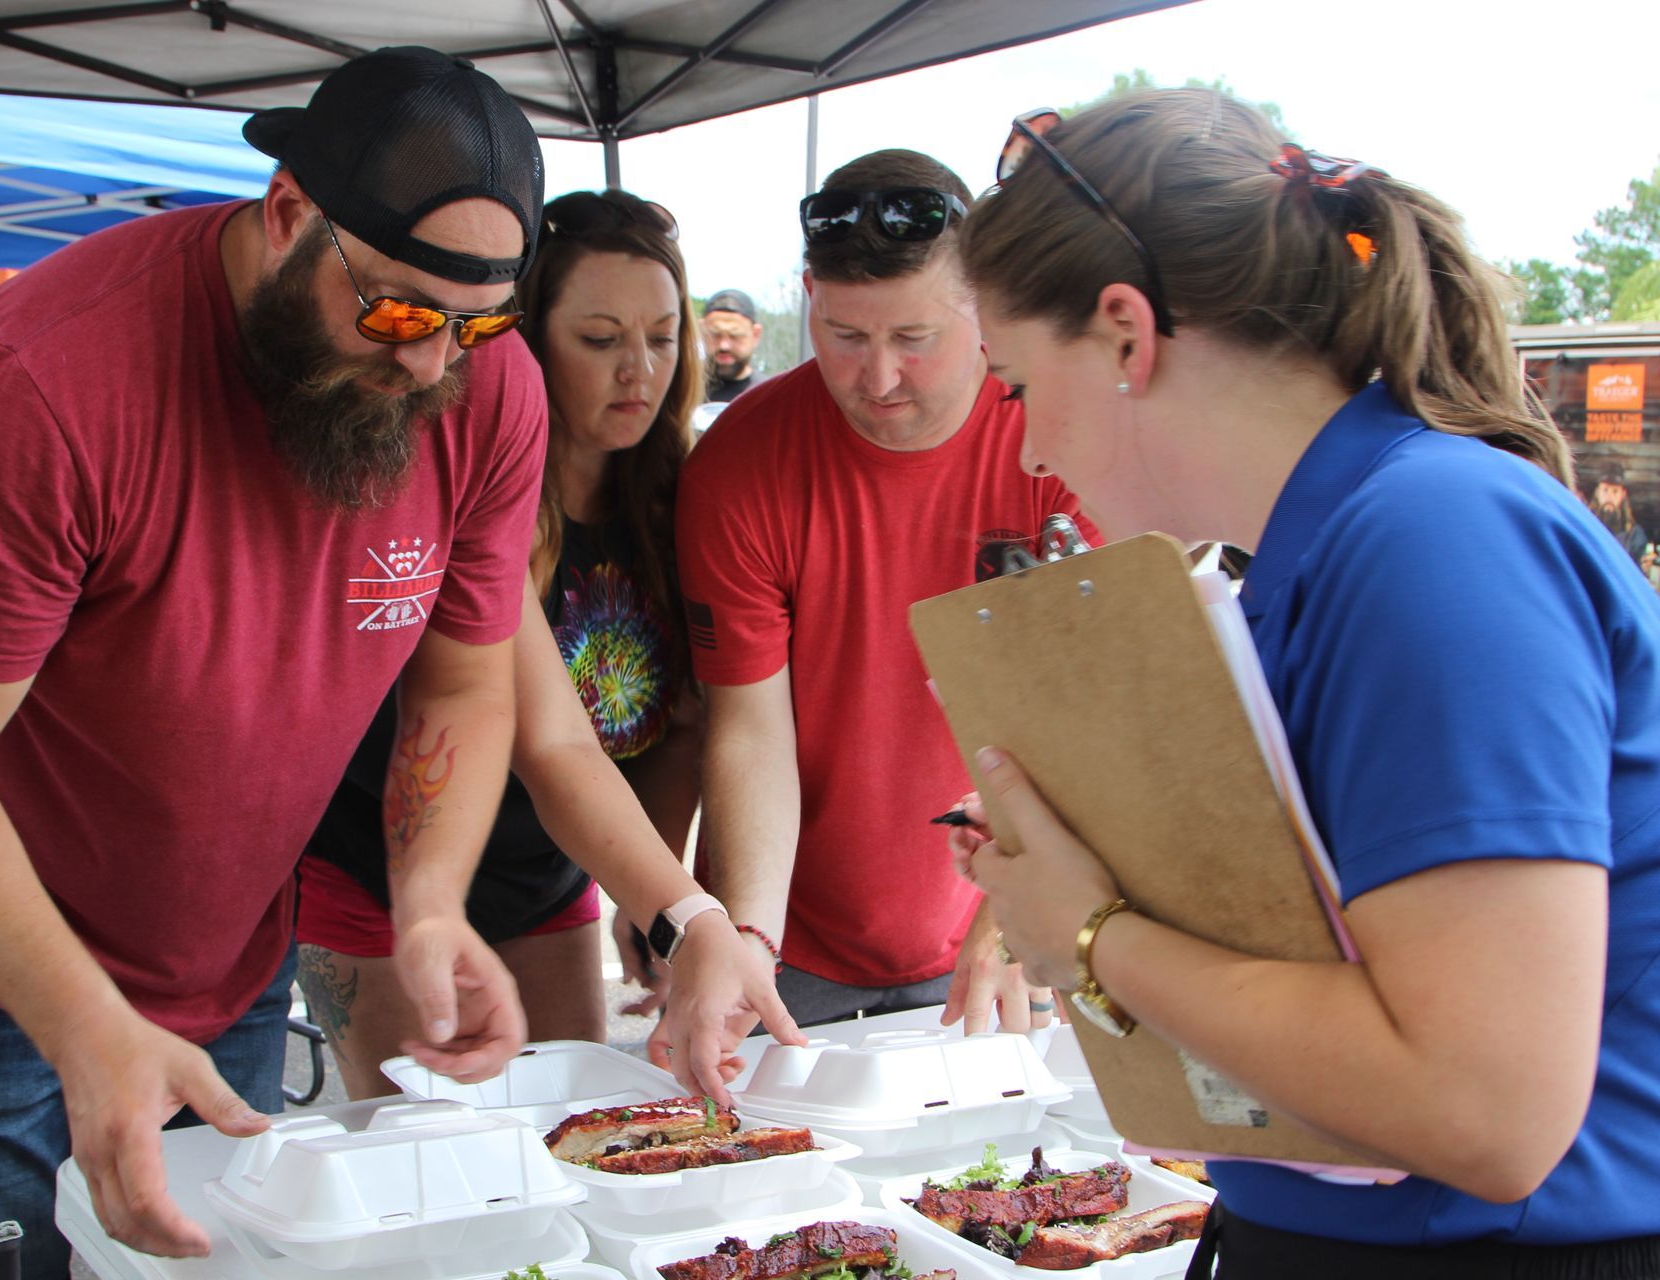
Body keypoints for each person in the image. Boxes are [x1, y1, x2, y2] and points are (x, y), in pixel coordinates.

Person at [0, 47, 553, 1280]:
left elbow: (464, 676)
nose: (432, 365)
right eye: (394, 312)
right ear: (287, 218)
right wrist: (79, 1020)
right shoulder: (51, 380)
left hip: (226, 951)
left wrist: (430, 901)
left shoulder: (486, 395)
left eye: (475, 325)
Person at [954, 91, 1660, 1277]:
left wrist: (1090, 931)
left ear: (1128, 333)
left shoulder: (1435, 534)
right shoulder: (1325, 552)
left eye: (1019, 386)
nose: (1024, 451)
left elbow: (1484, 1107)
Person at [296, 189, 801, 1100]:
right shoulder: (492, 503)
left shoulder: (675, 501)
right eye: (600, 340)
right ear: (526, 343)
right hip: (383, 878)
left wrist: (651, 902)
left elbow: (685, 726)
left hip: (548, 875)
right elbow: (548, 740)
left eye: (661, 336)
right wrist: (682, 912)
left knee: (574, 1134)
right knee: (426, 1153)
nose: (637, 370)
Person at [674, 149, 1096, 1034]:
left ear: (981, 303)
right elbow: (751, 723)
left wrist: (1010, 914)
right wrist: (747, 933)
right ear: (808, 298)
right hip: (798, 934)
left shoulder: (1055, 438)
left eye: (914, 340)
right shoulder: (743, 462)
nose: (877, 379)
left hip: (1000, 917)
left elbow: (1085, 711)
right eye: (845, 337)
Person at [699, 288, 765, 403]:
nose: (724, 345)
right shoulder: (681, 389)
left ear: (755, 334)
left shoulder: (768, 394)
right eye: (715, 335)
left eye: (735, 336)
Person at [1588, 459, 1648, 563]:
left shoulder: (1634, 534)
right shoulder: (1585, 525)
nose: (1609, 497)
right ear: (1597, 492)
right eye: (1605, 490)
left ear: (1623, 494)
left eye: (1615, 491)